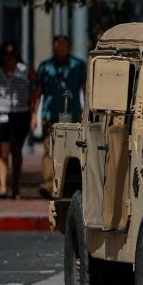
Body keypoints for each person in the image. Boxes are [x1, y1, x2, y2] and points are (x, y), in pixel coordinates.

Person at [34, 34, 87, 198]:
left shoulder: (78, 66)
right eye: (57, 47)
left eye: (64, 47)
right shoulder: (45, 67)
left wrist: (87, 111)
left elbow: (86, 89)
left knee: (72, 151)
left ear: (69, 48)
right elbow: (37, 92)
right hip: (50, 116)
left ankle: (69, 184)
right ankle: (49, 184)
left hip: (72, 116)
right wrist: (33, 114)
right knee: (49, 151)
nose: (60, 50)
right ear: (53, 48)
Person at [0, 42, 35, 198]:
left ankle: (16, 185)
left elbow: (39, 85)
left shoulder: (25, 71)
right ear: (2, 56)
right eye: (6, 54)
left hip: (21, 114)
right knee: (3, 152)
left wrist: (33, 108)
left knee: (16, 151)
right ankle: (2, 186)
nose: (9, 57)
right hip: (1, 113)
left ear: (16, 55)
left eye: (12, 54)